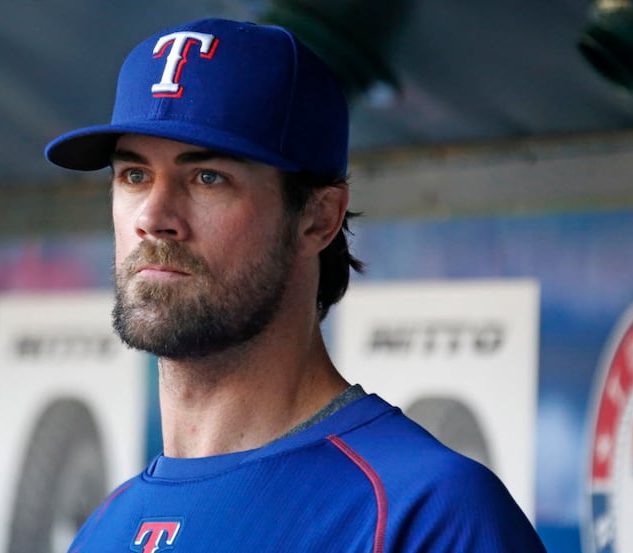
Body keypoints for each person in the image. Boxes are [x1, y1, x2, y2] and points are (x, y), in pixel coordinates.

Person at [45, 17, 547, 553]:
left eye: (207, 177)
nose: (154, 215)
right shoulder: (103, 530)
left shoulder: (426, 514)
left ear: (318, 217)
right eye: (134, 175)